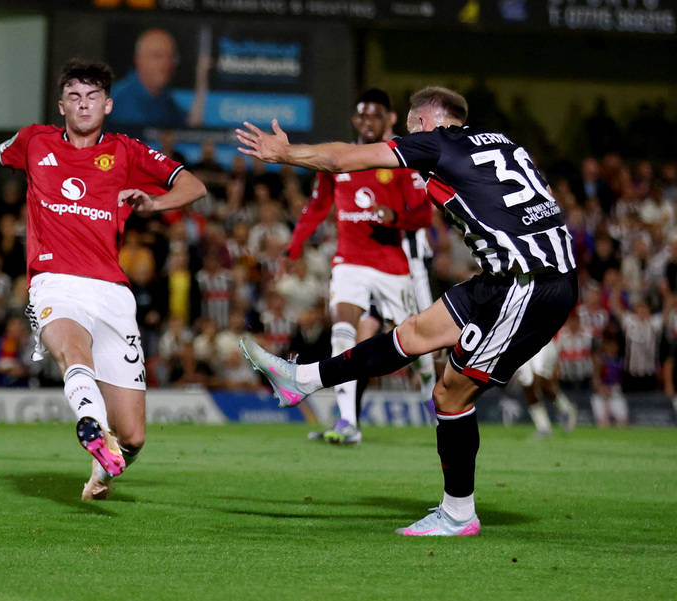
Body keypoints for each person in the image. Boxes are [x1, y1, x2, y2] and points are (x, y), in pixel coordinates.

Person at [236, 86, 579, 536]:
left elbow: (343, 159)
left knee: (450, 396)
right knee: (415, 333)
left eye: (410, 128)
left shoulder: (437, 142)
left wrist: (286, 153)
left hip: (526, 284)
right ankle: (302, 380)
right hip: (511, 276)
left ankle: (458, 514)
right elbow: (544, 198)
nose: (407, 137)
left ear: (427, 121)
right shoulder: (505, 144)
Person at [0, 60, 207, 499]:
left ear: (108, 104)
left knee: (134, 436)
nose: (84, 104)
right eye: (74, 97)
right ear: (62, 106)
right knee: (72, 350)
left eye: (93, 96)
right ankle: (90, 422)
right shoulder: (34, 141)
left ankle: (100, 470)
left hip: (113, 293)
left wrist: (154, 204)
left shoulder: (126, 151)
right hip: (54, 281)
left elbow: (193, 186)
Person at [285, 88, 436, 444]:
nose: (368, 122)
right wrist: (294, 246)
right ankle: (347, 422)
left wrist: (395, 217)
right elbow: (317, 206)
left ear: (388, 119)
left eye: (375, 116)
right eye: (362, 116)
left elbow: (423, 215)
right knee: (342, 328)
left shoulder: (398, 158)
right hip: (349, 261)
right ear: (355, 119)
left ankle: (431, 396)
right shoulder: (339, 159)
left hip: (392, 265)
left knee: (416, 342)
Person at [111, 27, 207, 128]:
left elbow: (189, 126)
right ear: (138, 60)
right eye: (157, 56)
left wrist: (202, 80)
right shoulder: (119, 100)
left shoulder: (165, 99)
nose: (166, 64)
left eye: (171, 57)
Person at [512, 337, 578, 437]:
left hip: (542, 341)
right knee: (527, 386)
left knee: (539, 381)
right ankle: (543, 427)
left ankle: (567, 409)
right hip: (521, 345)